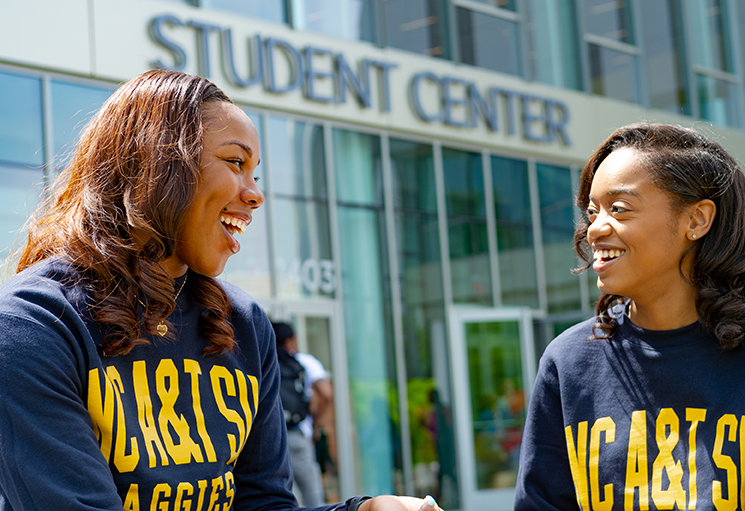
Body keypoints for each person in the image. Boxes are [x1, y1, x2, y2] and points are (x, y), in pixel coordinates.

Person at [0, 69, 441, 511]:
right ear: (159, 164)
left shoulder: (243, 324)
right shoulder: (31, 326)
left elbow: (262, 504)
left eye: (256, 174)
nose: (254, 196)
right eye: (235, 162)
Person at [513, 123, 745, 510]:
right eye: (592, 211)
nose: (595, 229)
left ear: (696, 220)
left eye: (618, 208)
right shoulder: (568, 363)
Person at [272, 321, 327, 507]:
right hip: (297, 433)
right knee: (312, 492)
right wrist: (315, 424)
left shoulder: (265, 362)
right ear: (290, 341)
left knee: (284, 494)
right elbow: (326, 393)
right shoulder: (302, 362)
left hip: (271, 438)